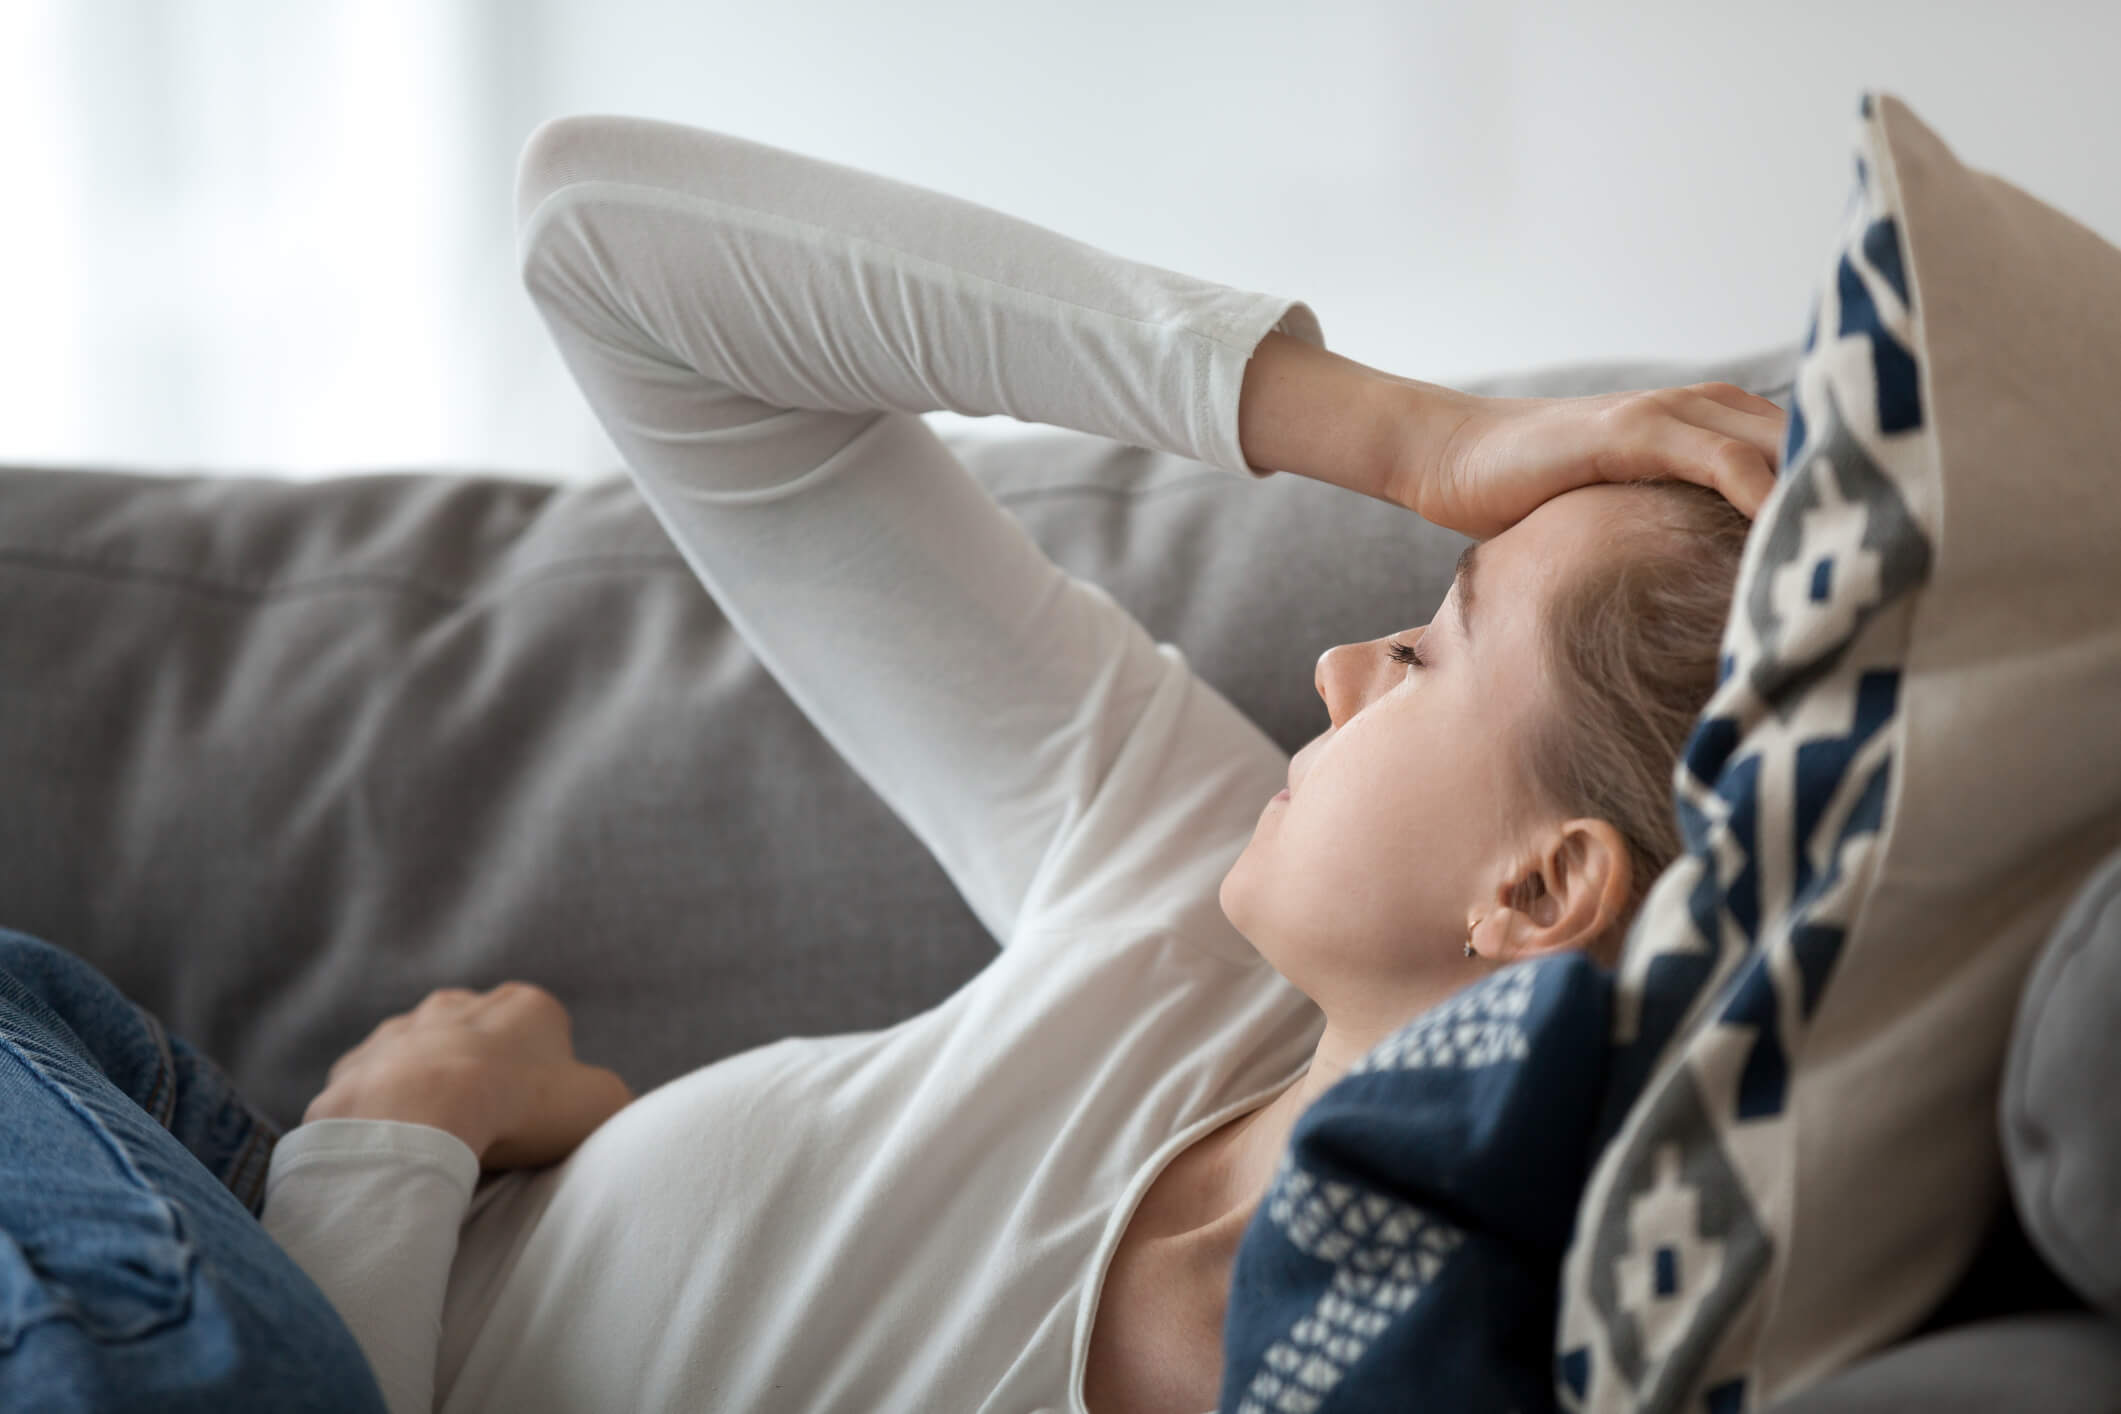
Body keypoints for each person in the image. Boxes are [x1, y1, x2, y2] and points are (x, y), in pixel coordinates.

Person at [0, 112, 1783, 1414]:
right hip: (117, 1169)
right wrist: (1412, 432)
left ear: (1537, 884)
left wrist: (382, 1161)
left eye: (1428, 647)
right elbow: (606, 245)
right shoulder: (1170, 891)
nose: (1334, 659)